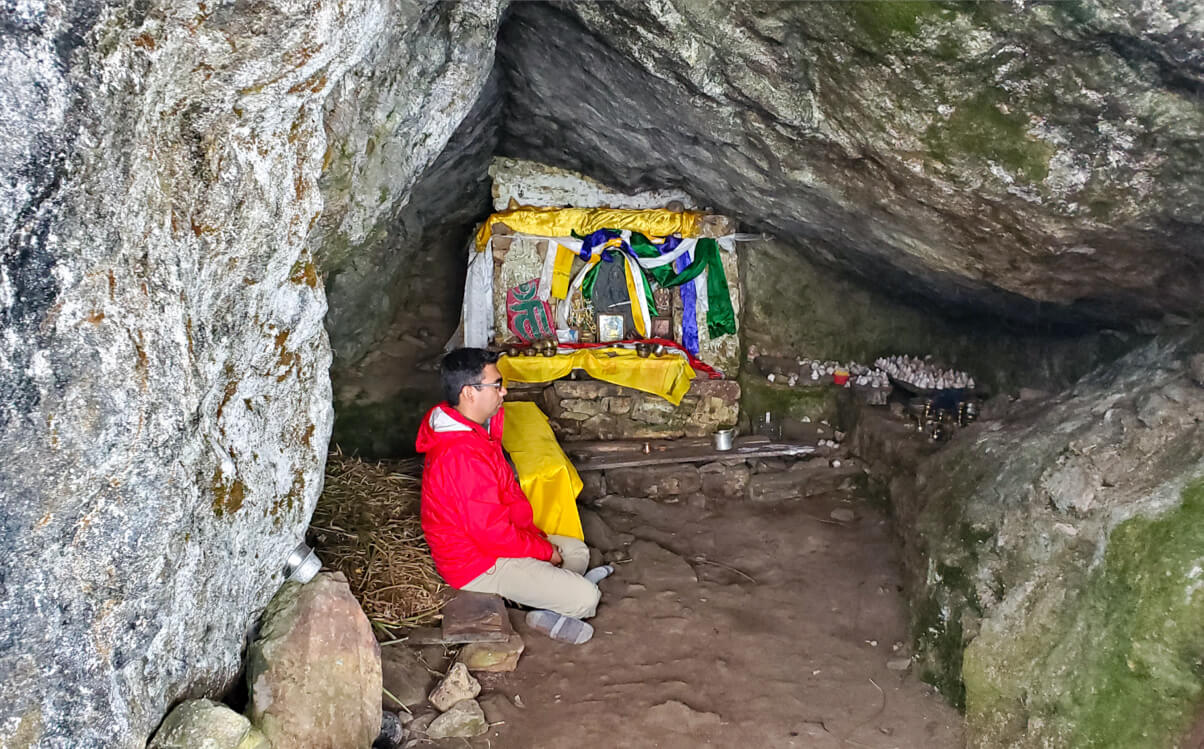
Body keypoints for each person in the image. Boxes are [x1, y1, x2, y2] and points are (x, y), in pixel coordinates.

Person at [416, 347, 611, 644]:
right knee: (588, 598)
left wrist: (539, 546)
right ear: (470, 393)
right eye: (496, 385)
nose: (503, 391)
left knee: (577, 552)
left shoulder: (473, 431)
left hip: (493, 542)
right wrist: (543, 551)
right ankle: (556, 604)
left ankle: (547, 600)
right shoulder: (460, 455)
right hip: (477, 562)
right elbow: (491, 534)